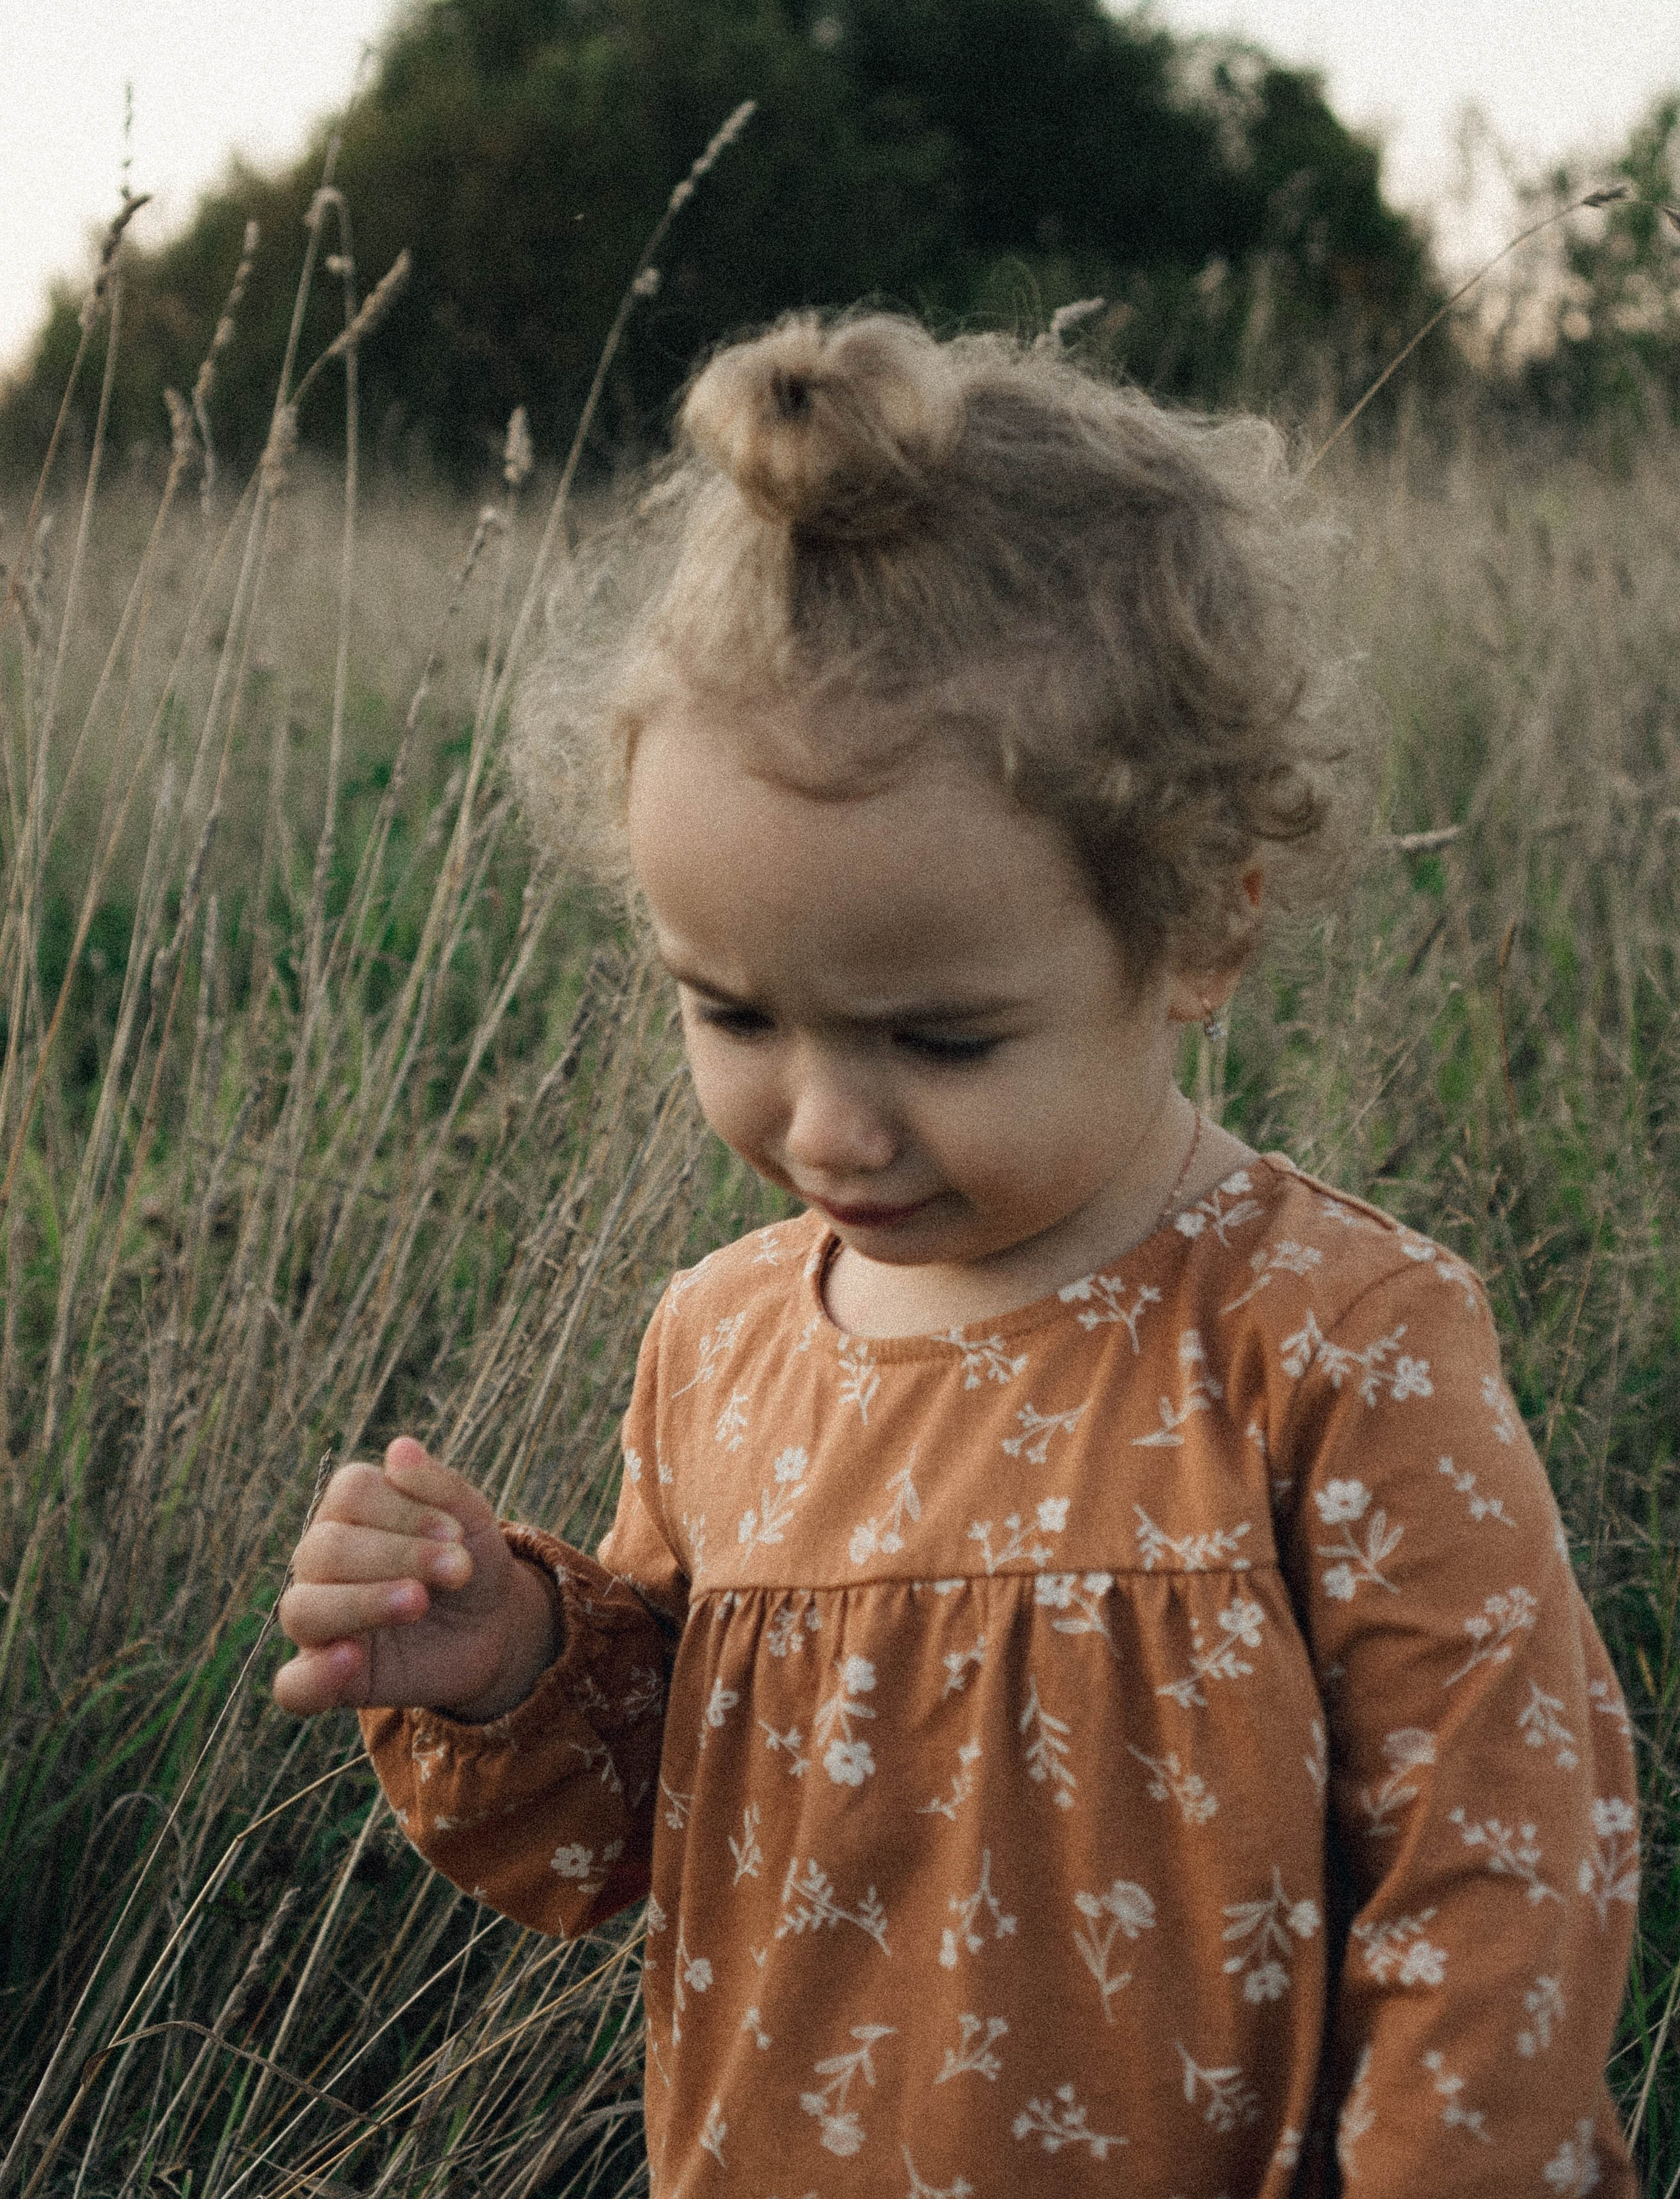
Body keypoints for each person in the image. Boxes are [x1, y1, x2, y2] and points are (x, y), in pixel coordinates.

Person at [276, 314, 1639, 2197]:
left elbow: (1509, 1864)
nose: (826, 1125)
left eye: (938, 1039)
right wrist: (505, 1660)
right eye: (735, 1013)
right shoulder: (724, 1347)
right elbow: (641, 1832)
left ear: (1197, 933)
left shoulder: (1332, 1339)